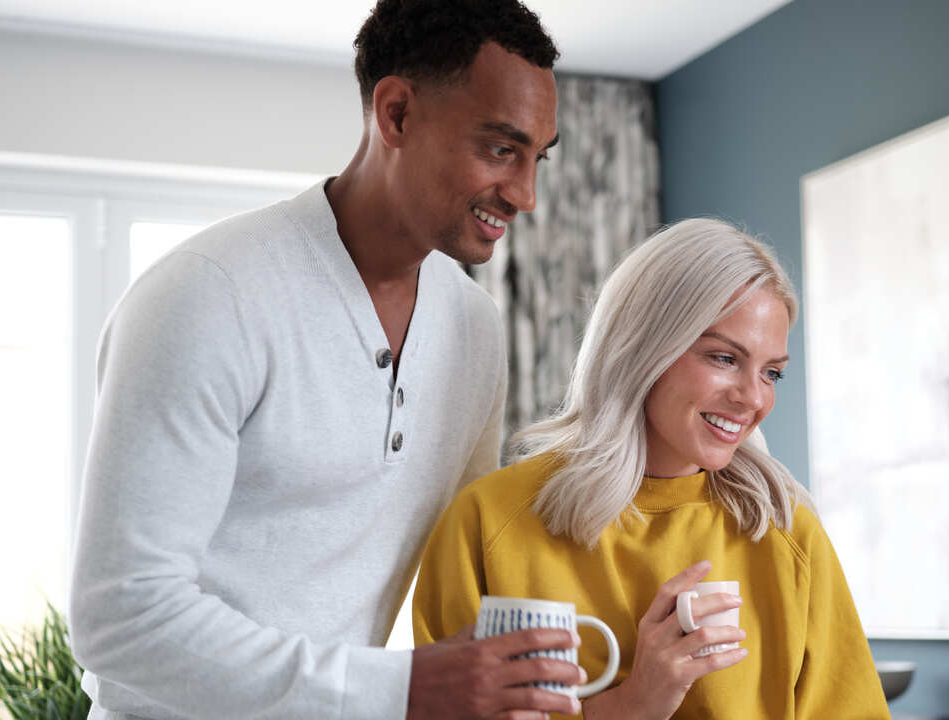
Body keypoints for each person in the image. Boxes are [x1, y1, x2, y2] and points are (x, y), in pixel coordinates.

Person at [68, 1, 587, 718]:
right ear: (397, 113)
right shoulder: (208, 295)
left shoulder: (476, 328)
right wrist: (403, 689)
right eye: (500, 149)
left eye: (538, 158)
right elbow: (120, 620)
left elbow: (465, 559)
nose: (526, 195)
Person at [411, 218, 890, 719]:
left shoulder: (785, 531)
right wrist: (633, 704)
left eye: (772, 372)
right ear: (644, 347)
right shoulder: (489, 522)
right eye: (724, 358)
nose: (753, 398)